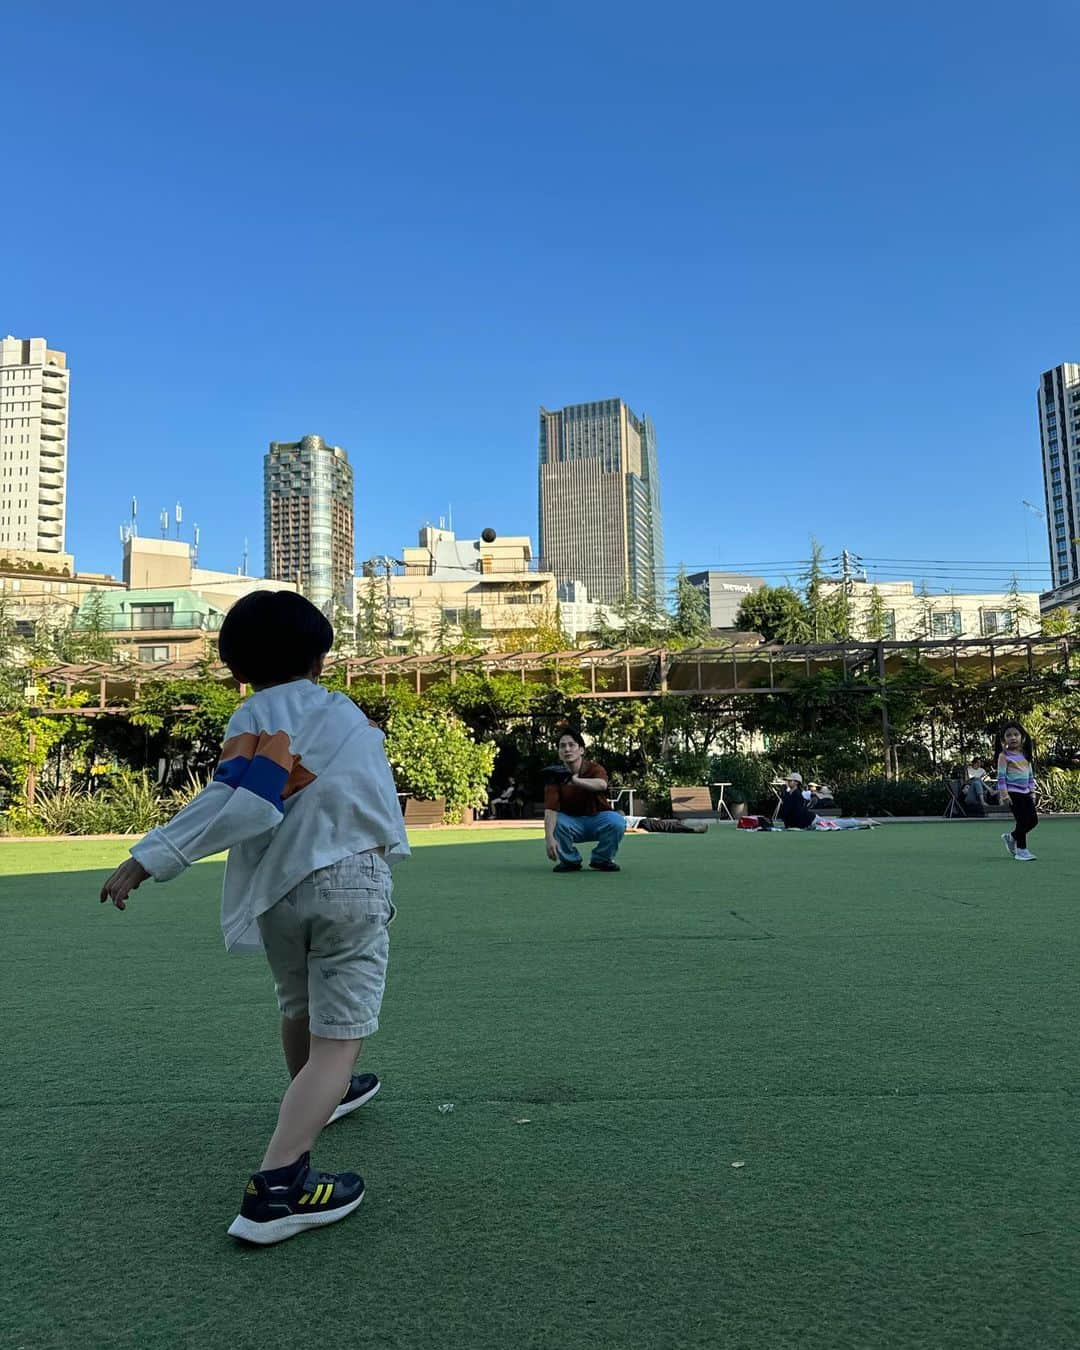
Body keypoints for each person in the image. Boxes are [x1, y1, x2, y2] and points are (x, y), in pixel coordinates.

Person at [98, 591, 410, 1244]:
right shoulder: (338, 712)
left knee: (299, 1006)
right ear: (321, 659)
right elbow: (265, 798)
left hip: (280, 893)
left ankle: (321, 1094)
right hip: (348, 880)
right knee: (338, 1038)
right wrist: (154, 855)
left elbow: (237, 798)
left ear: (236, 668)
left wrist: (150, 856)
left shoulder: (253, 714)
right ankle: (279, 1187)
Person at [543, 729, 626, 872]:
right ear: (559, 752)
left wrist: (576, 781)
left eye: (571, 745)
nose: (567, 749)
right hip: (571, 822)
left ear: (581, 750)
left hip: (597, 818)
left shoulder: (594, 768)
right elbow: (551, 810)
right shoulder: (554, 776)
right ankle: (570, 861)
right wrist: (549, 838)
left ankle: (602, 859)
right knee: (557, 822)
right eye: (562, 746)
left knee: (617, 821)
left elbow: (602, 784)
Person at [995, 721, 1038, 861]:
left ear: (1022, 737)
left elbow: (1030, 775)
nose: (1013, 738)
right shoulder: (1004, 756)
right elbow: (1001, 777)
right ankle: (1021, 851)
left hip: (1026, 793)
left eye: (1016, 734)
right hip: (1013, 793)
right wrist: (1004, 795)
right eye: (1008, 735)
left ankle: (1011, 837)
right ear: (1003, 740)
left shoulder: (1025, 755)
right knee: (1022, 821)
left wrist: (1032, 791)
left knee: (1033, 820)